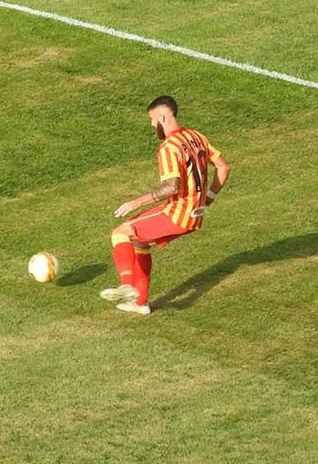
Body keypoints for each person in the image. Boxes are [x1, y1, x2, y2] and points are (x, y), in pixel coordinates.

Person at [99, 96, 230, 315]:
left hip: (177, 213)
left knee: (120, 233)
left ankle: (126, 284)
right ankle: (140, 304)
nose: (152, 125)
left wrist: (135, 202)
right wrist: (208, 199)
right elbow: (223, 167)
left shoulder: (169, 147)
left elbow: (172, 187)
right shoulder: (197, 136)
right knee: (141, 243)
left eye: (152, 119)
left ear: (162, 116)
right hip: (196, 215)